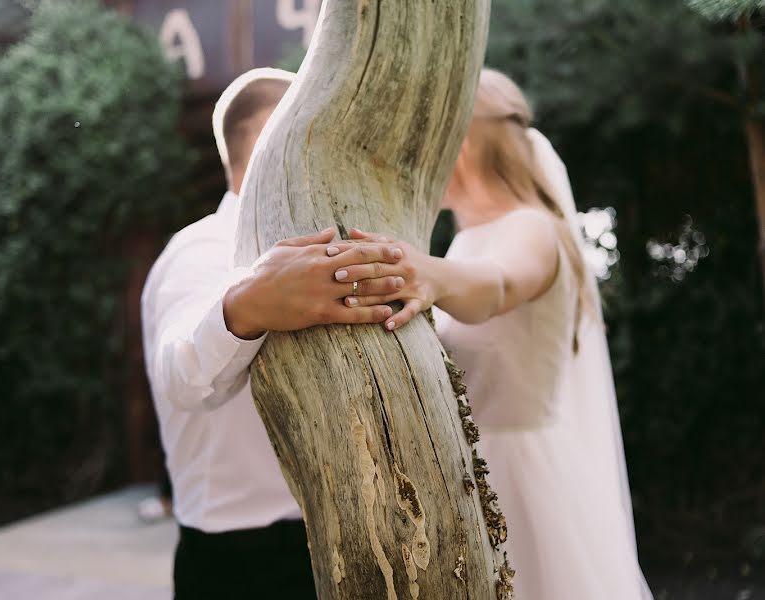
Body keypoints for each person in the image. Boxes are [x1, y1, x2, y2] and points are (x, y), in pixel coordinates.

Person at [332, 69, 653, 599]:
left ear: (458, 149)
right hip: (467, 478)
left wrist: (428, 275)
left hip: (523, 483)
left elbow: (498, 286)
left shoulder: (533, 228)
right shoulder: (465, 241)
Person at [141, 68, 408, 599]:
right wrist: (248, 304)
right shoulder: (202, 248)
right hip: (241, 563)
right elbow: (183, 378)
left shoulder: (320, 245)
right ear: (272, 138)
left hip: (334, 542)